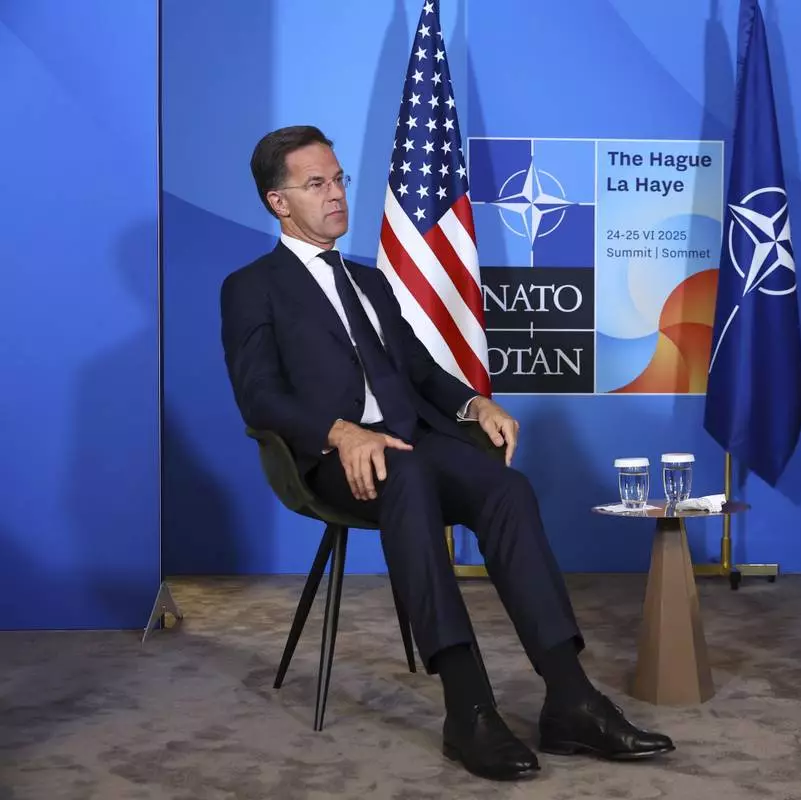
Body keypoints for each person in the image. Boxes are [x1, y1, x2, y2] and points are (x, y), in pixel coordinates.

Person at [220, 125, 673, 780]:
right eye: (316, 184)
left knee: (507, 488)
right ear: (278, 202)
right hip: (335, 461)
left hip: (414, 442)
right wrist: (341, 432)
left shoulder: (371, 281)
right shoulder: (251, 286)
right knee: (406, 476)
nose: (336, 194)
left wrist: (473, 404)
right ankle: (468, 709)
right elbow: (258, 395)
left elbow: (420, 371)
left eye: (339, 179)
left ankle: (571, 698)